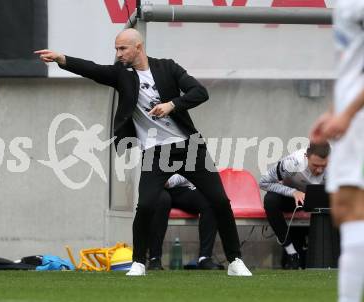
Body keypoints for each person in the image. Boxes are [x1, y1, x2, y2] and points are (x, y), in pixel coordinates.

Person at [35, 28, 251, 277]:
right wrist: (62, 58)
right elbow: (93, 69)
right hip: (155, 152)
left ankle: (235, 260)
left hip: (188, 147)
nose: (118, 54)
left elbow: (200, 92)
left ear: (138, 47)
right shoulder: (121, 74)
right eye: (116, 49)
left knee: (220, 201)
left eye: (122, 48)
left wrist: (172, 105)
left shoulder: (167, 68)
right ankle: (139, 262)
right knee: (146, 205)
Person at [310, 2, 364, 301]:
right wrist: (332, 111)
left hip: (359, 117)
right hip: (349, 116)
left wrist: (348, 113)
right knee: (345, 209)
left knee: (354, 206)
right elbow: (351, 66)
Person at [259, 142, 330, 269]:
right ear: (306, 156)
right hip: (294, 198)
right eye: (315, 165)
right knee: (270, 200)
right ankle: (292, 253)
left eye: (323, 166)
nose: (319, 170)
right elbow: (263, 182)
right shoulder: (292, 163)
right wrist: (293, 192)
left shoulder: (339, 164)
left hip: (322, 198)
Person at [148, 174, 224, 270]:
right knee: (162, 201)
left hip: (183, 188)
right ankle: (154, 259)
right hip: (160, 188)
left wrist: (170, 180)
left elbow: (191, 171)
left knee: (211, 201)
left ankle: (205, 258)